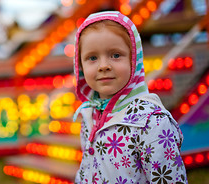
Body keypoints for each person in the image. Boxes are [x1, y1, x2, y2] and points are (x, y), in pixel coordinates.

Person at [72, 11, 187, 184]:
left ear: (134, 60)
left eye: (115, 55)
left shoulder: (152, 123)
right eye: (92, 58)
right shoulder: (90, 114)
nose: (103, 66)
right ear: (80, 65)